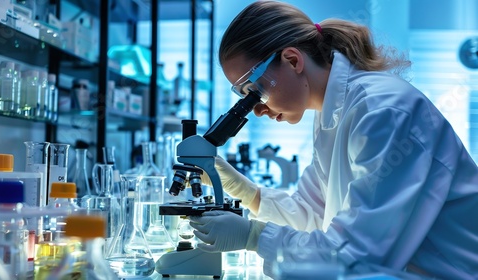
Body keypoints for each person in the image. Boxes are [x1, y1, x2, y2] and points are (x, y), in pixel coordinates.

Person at [188, 1, 478, 279]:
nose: (257, 110)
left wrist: (254, 236)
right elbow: (313, 213)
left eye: (255, 91)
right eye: (245, 98)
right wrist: (246, 191)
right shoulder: (333, 113)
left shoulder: (383, 111)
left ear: (292, 60)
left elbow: (356, 256)